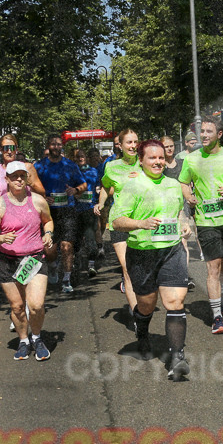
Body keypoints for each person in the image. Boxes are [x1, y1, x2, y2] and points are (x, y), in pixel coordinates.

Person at [111, 140, 192, 381]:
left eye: (160, 159)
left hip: (171, 250)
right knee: (146, 305)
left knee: (175, 302)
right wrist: (140, 223)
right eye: (151, 158)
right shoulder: (133, 186)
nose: (157, 162)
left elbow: (179, 212)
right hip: (142, 253)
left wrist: (184, 224)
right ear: (142, 161)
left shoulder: (173, 185)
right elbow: (117, 221)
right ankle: (143, 332)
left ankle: (177, 357)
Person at [179, 119, 223, 334]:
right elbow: (183, 182)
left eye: (209, 131)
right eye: (202, 131)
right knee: (213, 267)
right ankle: (217, 317)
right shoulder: (192, 159)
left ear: (219, 134)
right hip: (205, 221)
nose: (205, 135)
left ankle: (222, 290)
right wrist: (189, 196)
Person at [0, 161, 55, 361]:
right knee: (17, 306)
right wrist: (1, 238)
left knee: (35, 305)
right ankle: (24, 340)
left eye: (22, 176)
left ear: (27, 179)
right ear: (6, 179)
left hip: (33, 259)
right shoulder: (0, 205)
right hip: (7, 261)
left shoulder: (37, 201)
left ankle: (37, 337)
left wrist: (48, 233)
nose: (18, 179)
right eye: (14, 176)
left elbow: (48, 220)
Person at [34, 133, 86, 293]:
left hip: (67, 210)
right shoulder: (40, 166)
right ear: (48, 146)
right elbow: (31, 188)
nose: (56, 147)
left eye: (58, 144)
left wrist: (75, 190)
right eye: (53, 144)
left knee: (66, 246)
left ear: (61, 146)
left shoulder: (70, 165)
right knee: (50, 249)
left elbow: (83, 184)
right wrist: (43, 197)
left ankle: (67, 279)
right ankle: (53, 267)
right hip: (47, 212)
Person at [99, 129, 142, 317]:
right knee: (127, 267)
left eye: (135, 142)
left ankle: (143, 303)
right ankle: (136, 314)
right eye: (129, 143)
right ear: (120, 145)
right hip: (119, 221)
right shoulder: (112, 167)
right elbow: (105, 187)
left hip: (142, 222)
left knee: (143, 267)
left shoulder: (146, 163)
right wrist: (100, 203)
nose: (133, 146)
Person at [161, 135, 196, 290]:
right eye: (166, 146)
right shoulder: (159, 166)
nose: (169, 149)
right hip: (163, 208)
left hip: (181, 206)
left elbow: (190, 181)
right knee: (166, 242)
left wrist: (190, 195)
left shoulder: (182, 163)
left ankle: (183, 275)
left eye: (171, 146)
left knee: (183, 240)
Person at [0, 133, 46, 202]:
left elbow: (42, 192)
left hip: (25, 211)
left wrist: (31, 183)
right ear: (0, 150)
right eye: (6, 148)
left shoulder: (27, 167)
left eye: (12, 148)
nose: (9, 151)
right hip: (4, 211)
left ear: (16, 149)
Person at [74, 148, 100, 277]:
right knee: (77, 240)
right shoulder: (71, 172)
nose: (80, 158)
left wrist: (98, 202)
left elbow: (98, 188)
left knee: (91, 238)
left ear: (86, 158)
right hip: (75, 210)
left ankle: (91, 265)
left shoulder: (93, 171)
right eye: (77, 157)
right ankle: (76, 263)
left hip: (89, 209)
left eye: (82, 156)